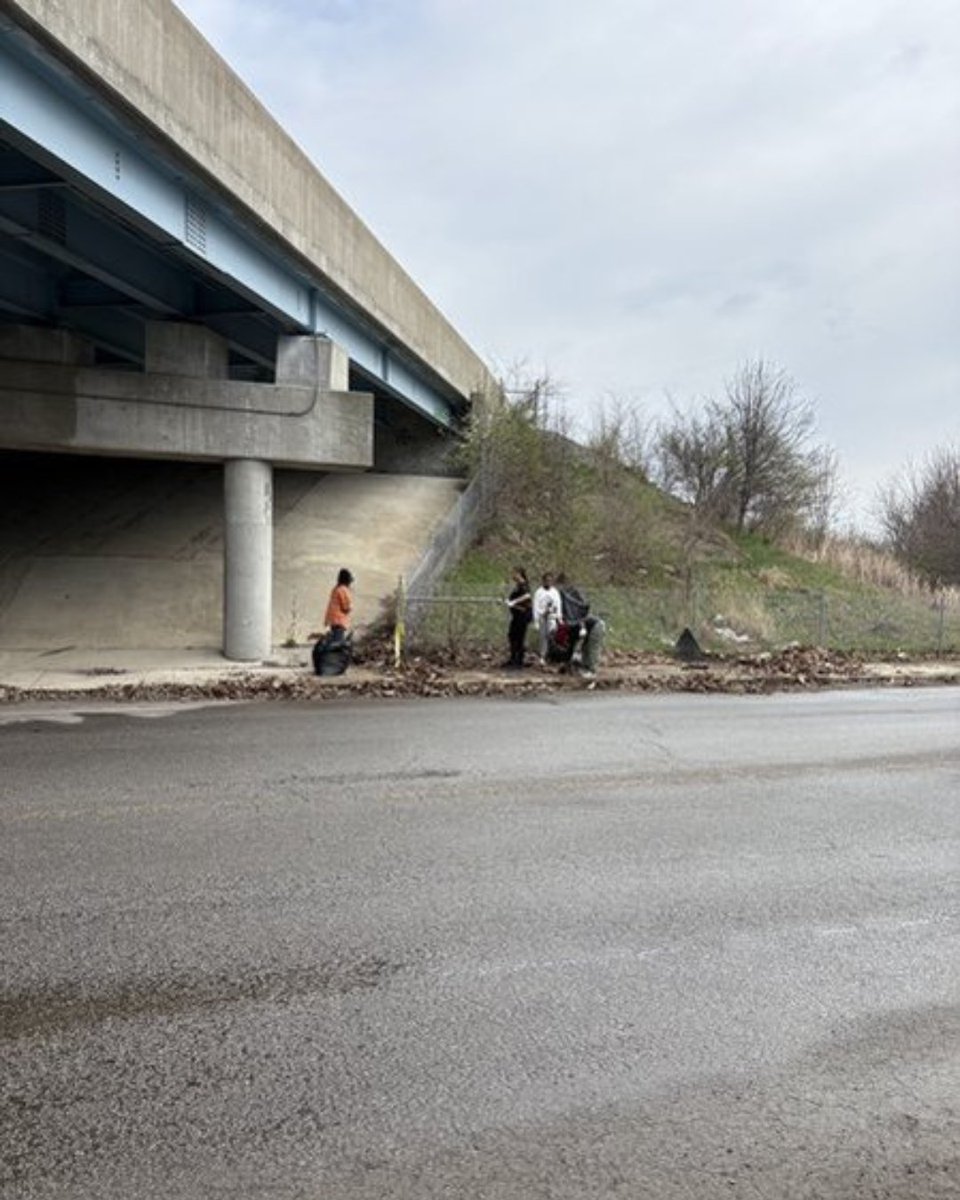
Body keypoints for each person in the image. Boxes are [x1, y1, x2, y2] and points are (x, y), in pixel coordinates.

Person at [309, 567, 354, 676]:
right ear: (347, 580)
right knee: (338, 645)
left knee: (334, 643)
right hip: (339, 620)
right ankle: (333, 669)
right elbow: (346, 607)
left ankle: (331, 667)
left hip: (333, 619)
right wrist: (350, 607)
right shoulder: (343, 590)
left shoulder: (336, 589)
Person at [503, 566, 533, 668]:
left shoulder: (524, 585)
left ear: (519, 574)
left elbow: (527, 596)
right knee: (512, 636)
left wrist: (513, 602)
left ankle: (518, 661)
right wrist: (509, 601)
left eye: (515, 573)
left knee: (519, 638)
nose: (513, 575)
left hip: (522, 615)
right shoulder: (517, 586)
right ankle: (513, 658)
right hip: (516, 615)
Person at [532, 571, 562, 663]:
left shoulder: (555, 592)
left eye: (550, 580)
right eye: (546, 580)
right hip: (542, 617)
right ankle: (542, 656)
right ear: (543, 581)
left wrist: (559, 618)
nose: (548, 582)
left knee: (552, 637)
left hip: (552, 617)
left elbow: (559, 605)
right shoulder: (539, 592)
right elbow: (535, 607)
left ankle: (551, 655)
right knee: (543, 637)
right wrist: (536, 620)